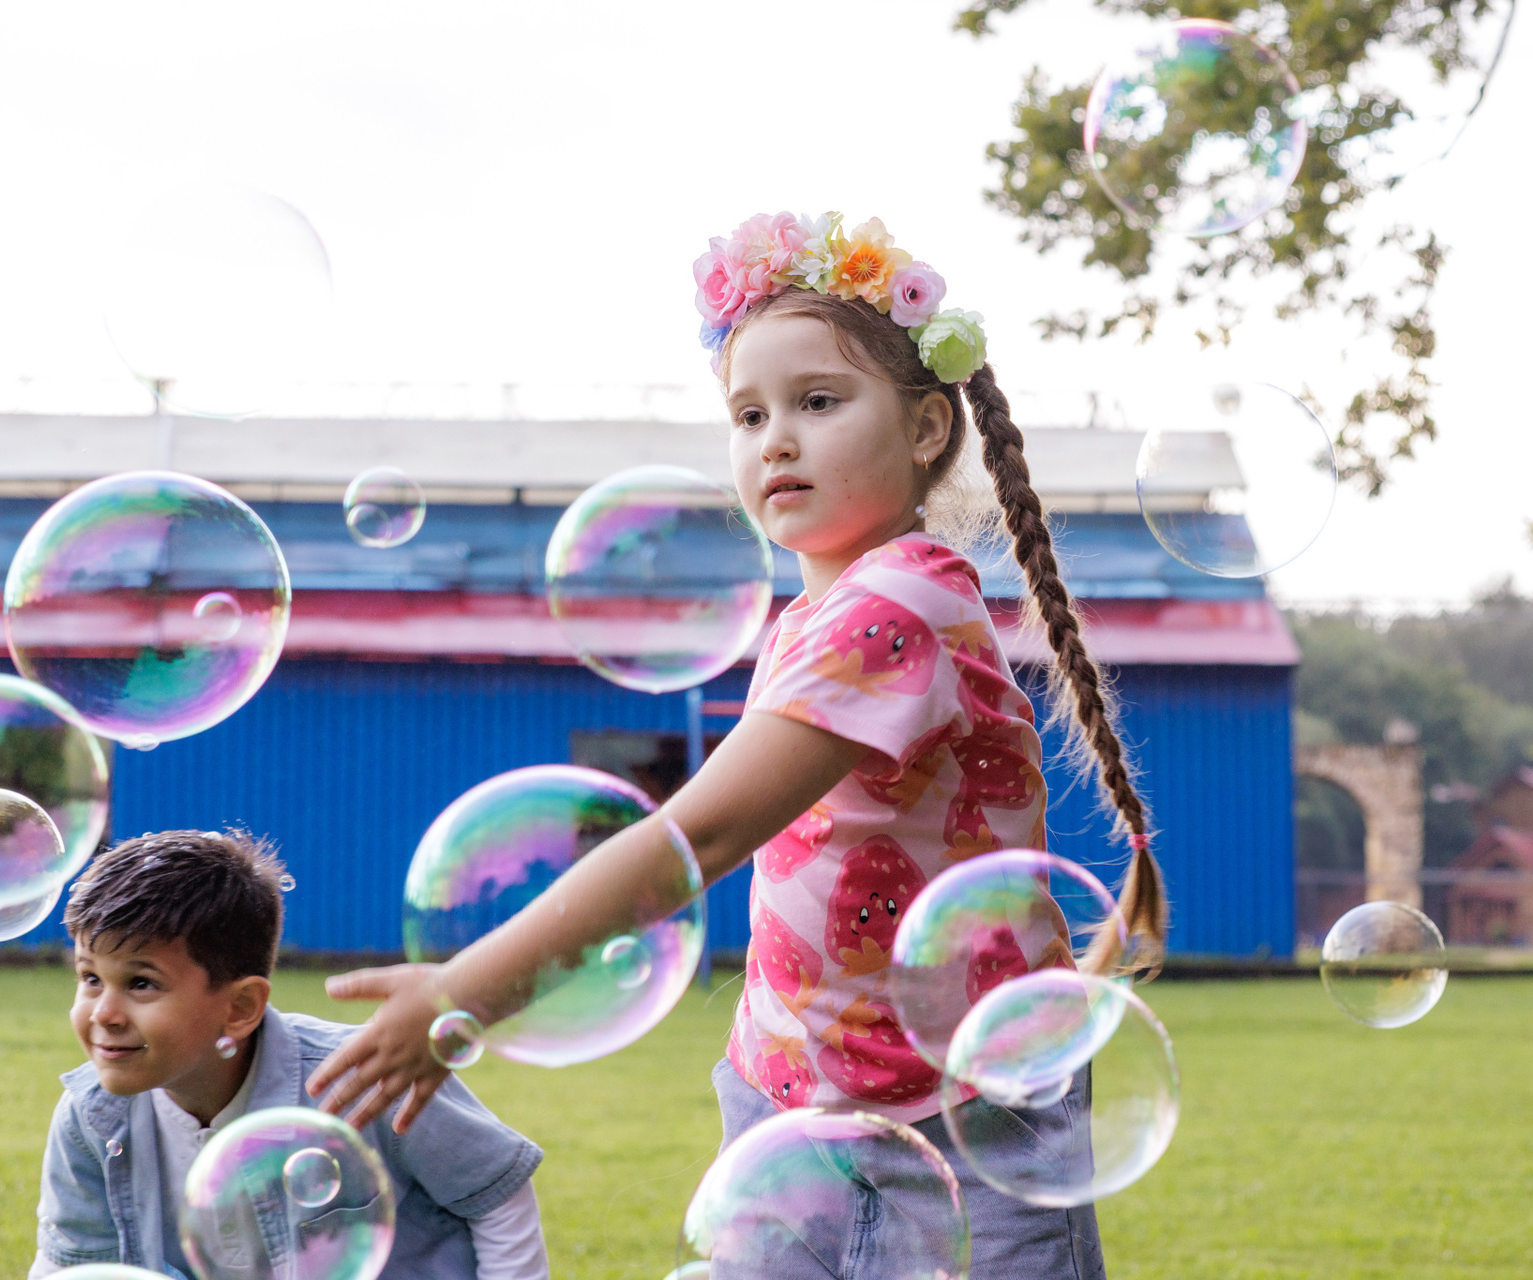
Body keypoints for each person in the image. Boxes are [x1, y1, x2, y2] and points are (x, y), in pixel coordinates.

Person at [305, 211, 1167, 1278]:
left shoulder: (901, 602)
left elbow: (701, 834)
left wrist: (463, 990)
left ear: (927, 428)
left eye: (819, 400)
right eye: (748, 412)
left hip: (963, 1123)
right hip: (790, 1102)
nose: (776, 439)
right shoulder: (816, 616)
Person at [29, 828, 551, 1280]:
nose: (104, 1013)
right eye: (90, 978)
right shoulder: (91, 1119)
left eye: (141, 983)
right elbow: (72, 1265)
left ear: (240, 1008)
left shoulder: (366, 1074)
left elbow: (496, 1196)